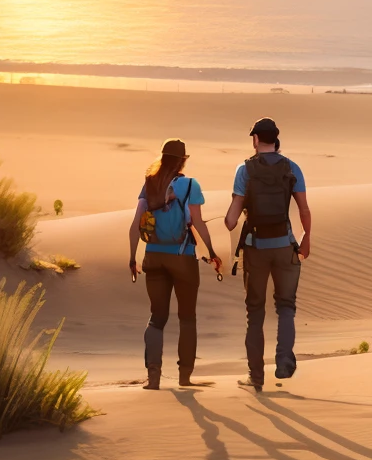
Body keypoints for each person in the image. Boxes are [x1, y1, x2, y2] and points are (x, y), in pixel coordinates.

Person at [223, 118, 312, 390]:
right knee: (286, 307)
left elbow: (230, 220)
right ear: (276, 140)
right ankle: (284, 360)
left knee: (256, 313)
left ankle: (256, 377)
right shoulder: (292, 168)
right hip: (286, 246)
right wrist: (306, 238)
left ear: (255, 140)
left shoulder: (245, 170)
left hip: (256, 249)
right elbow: (304, 210)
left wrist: (231, 219)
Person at [127, 138, 221, 390]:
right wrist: (212, 253)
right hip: (182, 258)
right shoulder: (190, 185)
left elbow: (135, 225)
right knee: (187, 317)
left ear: (162, 157)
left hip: (153, 256)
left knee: (156, 318)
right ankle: (184, 377)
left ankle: (153, 377)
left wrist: (132, 257)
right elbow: (198, 224)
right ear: (183, 160)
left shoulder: (149, 183)